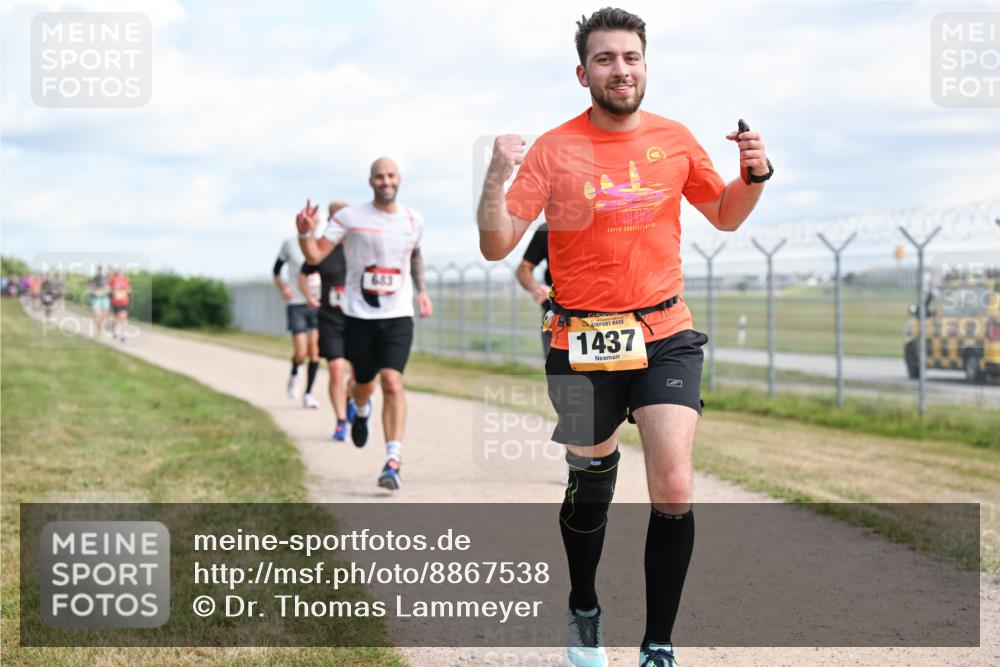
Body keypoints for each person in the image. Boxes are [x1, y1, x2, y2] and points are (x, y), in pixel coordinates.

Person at [475, 8, 772, 667]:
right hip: (581, 341)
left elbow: (723, 214)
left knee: (673, 484)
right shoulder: (554, 149)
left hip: (665, 330)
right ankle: (584, 604)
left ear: (645, 65)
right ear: (584, 73)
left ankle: (657, 642)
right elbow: (497, 244)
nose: (621, 69)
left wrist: (752, 177)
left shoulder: (675, 139)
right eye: (606, 59)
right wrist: (497, 174)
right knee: (591, 483)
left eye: (631, 57)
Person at [296, 157, 433, 490]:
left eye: (390, 176)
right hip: (358, 315)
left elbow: (415, 255)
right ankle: (360, 408)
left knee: (392, 381)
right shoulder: (350, 217)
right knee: (363, 383)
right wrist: (304, 234)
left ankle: (393, 460)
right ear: (370, 181)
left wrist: (422, 291)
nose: (385, 181)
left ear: (399, 179)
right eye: (379, 177)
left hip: (398, 314)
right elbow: (315, 256)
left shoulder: (414, 219)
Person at [299, 200, 354, 441]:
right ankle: (341, 421)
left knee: (361, 375)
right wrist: (309, 296)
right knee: (335, 369)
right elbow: (304, 272)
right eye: (335, 217)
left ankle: (352, 399)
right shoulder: (323, 248)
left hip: (358, 318)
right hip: (330, 318)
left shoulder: (358, 246)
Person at [275, 229, 321, 408]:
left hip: (317, 303)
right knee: (301, 352)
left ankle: (308, 393)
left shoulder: (322, 242)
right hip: (297, 303)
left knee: (315, 351)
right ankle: (295, 373)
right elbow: (276, 270)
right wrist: (284, 288)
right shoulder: (290, 244)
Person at [517, 222, 554, 357]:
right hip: (553, 311)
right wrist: (536, 288)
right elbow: (523, 268)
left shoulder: (616, 224)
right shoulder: (547, 229)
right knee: (558, 374)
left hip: (608, 314)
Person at [108, 266, 131, 342]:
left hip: (124, 302)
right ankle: (115, 329)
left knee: (123, 317)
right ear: (117, 273)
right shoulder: (113, 279)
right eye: (119, 272)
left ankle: (124, 334)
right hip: (115, 302)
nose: (121, 273)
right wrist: (112, 295)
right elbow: (110, 290)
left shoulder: (126, 279)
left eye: (122, 272)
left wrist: (128, 294)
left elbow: (129, 290)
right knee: (115, 318)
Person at [89, 265, 111, 336]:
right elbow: (91, 289)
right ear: (98, 271)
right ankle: (99, 331)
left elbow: (110, 275)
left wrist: (109, 269)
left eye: (102, 270)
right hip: (96, 299)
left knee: (103, 317)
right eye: (100, 270)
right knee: (97, 316)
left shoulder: (106, 278)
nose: (101, 272)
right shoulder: (94, 279)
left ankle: (101, 328)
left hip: (104, 299)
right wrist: (96, 292)